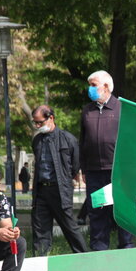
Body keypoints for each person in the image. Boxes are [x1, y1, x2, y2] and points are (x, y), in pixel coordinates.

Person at [80, 70, 134, 251]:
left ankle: (126, 247)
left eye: (93, 85)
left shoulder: (121, 108)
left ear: (106, 87)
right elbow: (83, 141)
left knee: (122, 211)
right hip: (95, 172)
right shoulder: (87, 111)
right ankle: (99, 252)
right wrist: (83, 169)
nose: (90, 89)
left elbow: (130, 141)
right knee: (97, 213)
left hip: (118, 172)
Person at [31, 105, 88, 256]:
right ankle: (40, 260)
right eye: (35, 123)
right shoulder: (37, 141)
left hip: (60, 190)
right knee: (40, 228)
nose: (37, 126)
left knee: (69, 226)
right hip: (41, 190)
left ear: (51, 118)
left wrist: (65, 180)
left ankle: (84, 256)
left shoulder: (68, 139)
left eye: (40, 122)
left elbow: (75, 166)